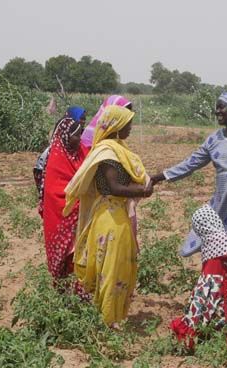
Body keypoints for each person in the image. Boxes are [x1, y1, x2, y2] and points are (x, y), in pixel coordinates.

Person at [151, 91, 227, 309]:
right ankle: (221, 304)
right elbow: (191, 163)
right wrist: (158, 177)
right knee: (221, 255)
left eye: (222, 107)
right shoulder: (214, 139)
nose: (218, 111)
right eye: (217, 107)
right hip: (222, 206)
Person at [63, 105, 153, 328]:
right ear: (117, 126)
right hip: (110, 218)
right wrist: (143, 190)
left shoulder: (117, 149)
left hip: (116, 215)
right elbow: (114, 187)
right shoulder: (108, 153)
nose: (131, 128)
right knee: (111, 270)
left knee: (115, 267)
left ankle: (109, 318)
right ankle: (106, 320)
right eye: (128, 125)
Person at [170, 205, 227, 350]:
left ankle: (201, 334)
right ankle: (219, 338)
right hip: (218, 282)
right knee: (221, 308)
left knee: (202, 307)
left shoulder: (207, 239)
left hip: (207, 282)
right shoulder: (219, 237)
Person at [41, 115, 88, 286]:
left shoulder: (82, 152)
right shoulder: (56, 159)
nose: (79, 138)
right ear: (66, 137)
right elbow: (56, 195)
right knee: (67, 260)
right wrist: (80, 203)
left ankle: (80, 289)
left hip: (82, 217)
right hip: (62, 219)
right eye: (76, 134)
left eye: (80, 133)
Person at [35, 106, 87, 216]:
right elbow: (53, 188)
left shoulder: (80, 149)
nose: (83, 121)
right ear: (66, 135)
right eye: (81, 118)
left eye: (84, 119)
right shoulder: (55, 154)